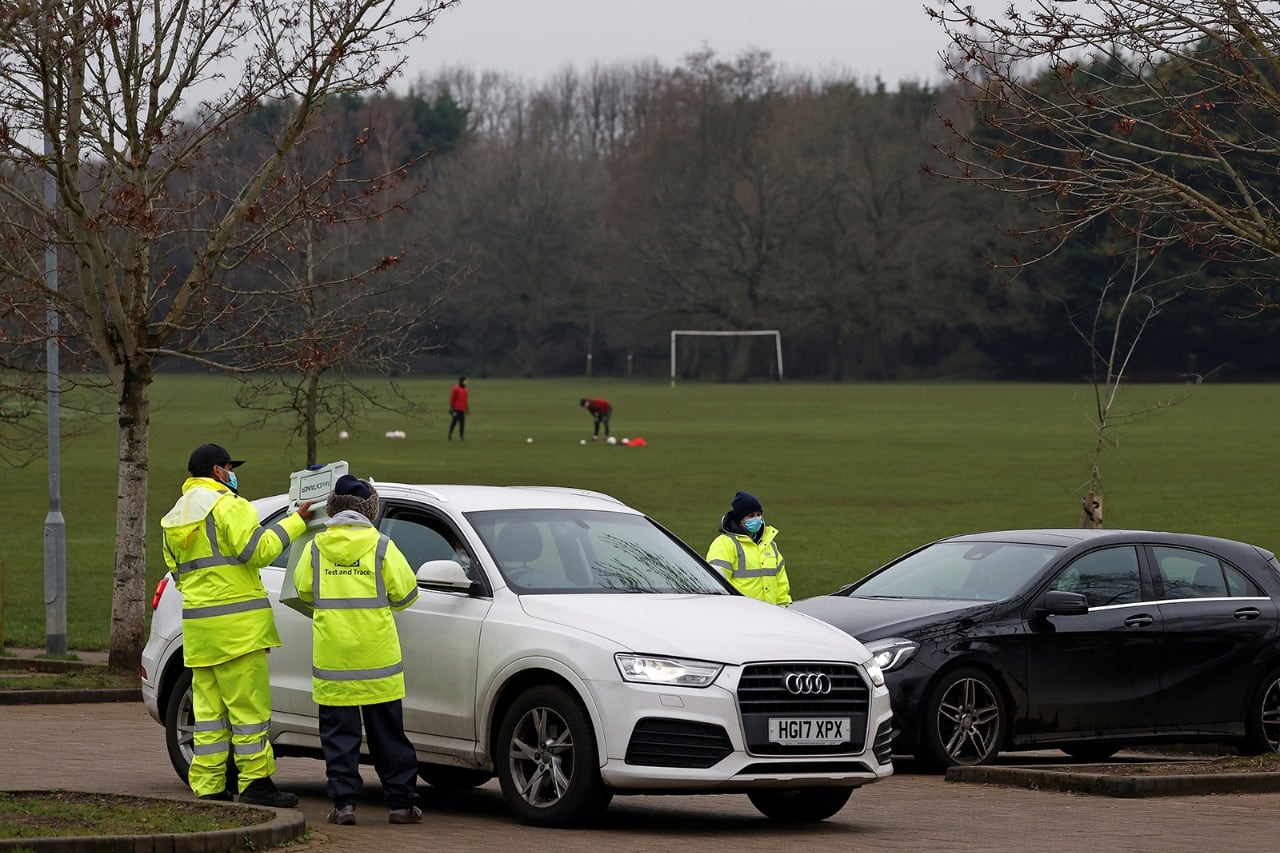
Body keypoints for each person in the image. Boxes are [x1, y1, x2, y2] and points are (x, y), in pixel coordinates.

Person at [160, 443, 314, 807]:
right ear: (217, 471)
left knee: (208, 714)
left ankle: (208, 784)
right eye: (230, 468)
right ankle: (256, 782)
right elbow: (258, 551)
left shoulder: (174, 518)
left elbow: (180, 575)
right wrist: (297, 521)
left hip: (200, 632)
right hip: (239, 631)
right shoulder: (229, 506)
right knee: (249, 712)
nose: (232, 474)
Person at [292, 474, 423, 826]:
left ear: (333, 507)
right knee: (389, 736)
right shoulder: (382, 546)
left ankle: (344, 805)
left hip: (334, 660)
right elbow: (406, 595)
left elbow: (303, 590)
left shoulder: (316, 547)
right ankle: (401, 804)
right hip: (378, 660)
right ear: (369, 509)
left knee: (339, 738)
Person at [705, 490, 792, 606]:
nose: (756, 519)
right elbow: (717, 583)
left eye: (759, 514)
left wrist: (783, 608)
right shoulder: (724, 544)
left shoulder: (770, 545)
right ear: (739, 519)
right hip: (740, 613)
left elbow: (781, 584)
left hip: (770, 613)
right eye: (751, 515)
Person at [447, 376, 469, 441]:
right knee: (454, 422)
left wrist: (466, 408)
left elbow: (465, 400)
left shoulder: (465, 390)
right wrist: (452, 407)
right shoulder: (456, 389)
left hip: (462, 409)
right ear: (462, 381)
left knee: (462, 423)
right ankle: (450, 434)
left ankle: (461, 437)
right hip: (456, 409)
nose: (467, 382)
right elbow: (452, 398)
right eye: (465, 381)